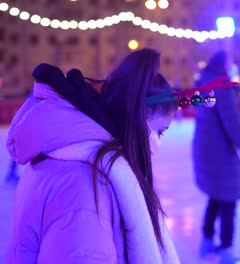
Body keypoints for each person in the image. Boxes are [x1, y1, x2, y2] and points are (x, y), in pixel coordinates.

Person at [6, 49, 180, 263]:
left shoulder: (86, 162)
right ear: (135, 119)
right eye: (159, 132)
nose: (157, 144)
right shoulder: (84, 184)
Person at [193, 51, 240, 264]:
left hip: (204, 149)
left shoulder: (203, 83)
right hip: (220, 152)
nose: (233, 66)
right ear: (223, 64)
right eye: (231, 62)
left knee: (215, 194)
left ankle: (207, 240)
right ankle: (226, 252)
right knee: (228, 198)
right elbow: (233, 124)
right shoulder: (222, 86)